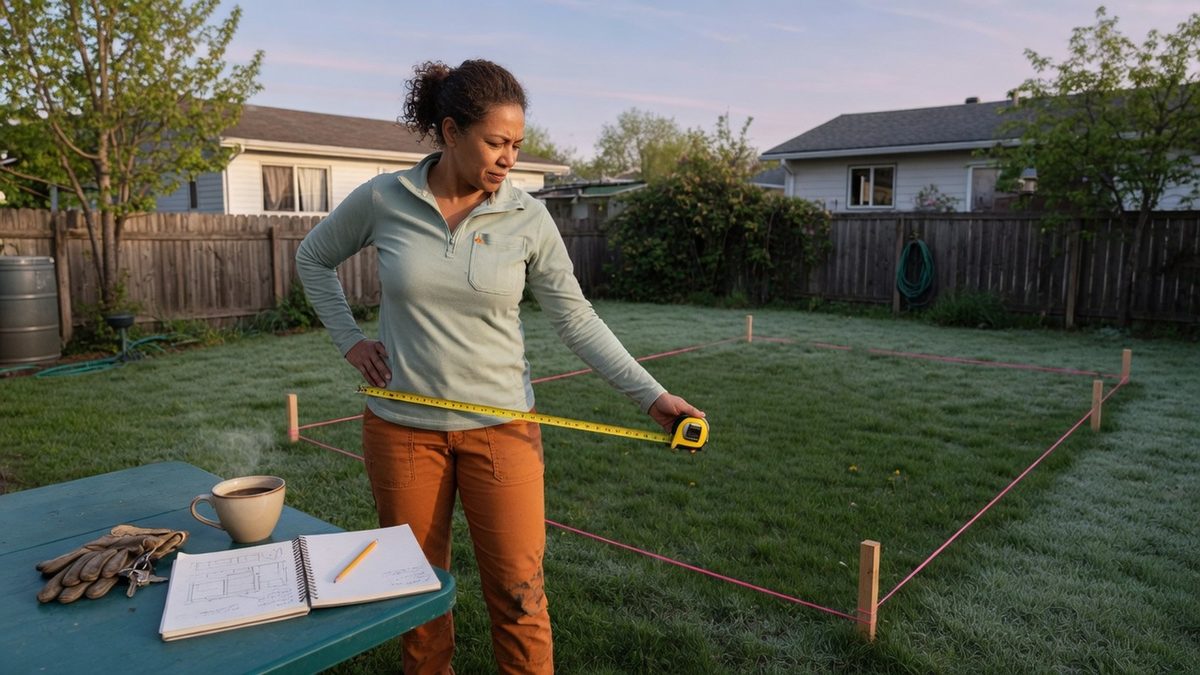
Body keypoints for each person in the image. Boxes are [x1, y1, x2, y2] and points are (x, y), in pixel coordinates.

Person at [295, 58, 704, 675]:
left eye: (516, 144)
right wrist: (351, 341)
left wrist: (653, 396)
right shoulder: (384, 197)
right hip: (402, 430)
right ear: (452, 131)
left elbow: (576, 318)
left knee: (520, 595)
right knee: (416, 593)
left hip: (503, 431)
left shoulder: (527, 216)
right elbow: (313, 257)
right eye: (495, 142)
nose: (509, 158)